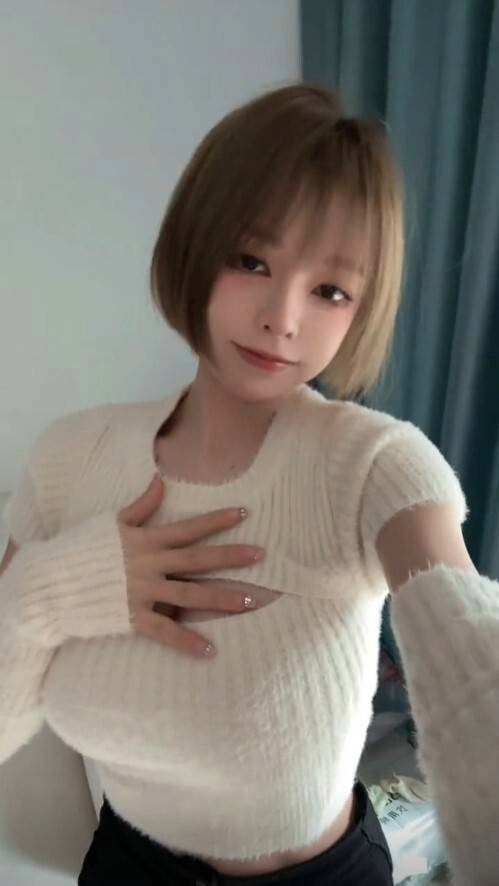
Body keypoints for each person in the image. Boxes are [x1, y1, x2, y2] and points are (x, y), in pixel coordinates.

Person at [1, 82, 498, 886]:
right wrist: (52, 591)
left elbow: (469, 652)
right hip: (127, 866)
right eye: (251, 261)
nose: (282, 317)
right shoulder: (71, 458)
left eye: (329, 290)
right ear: (195, 245)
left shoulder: (372, 461)